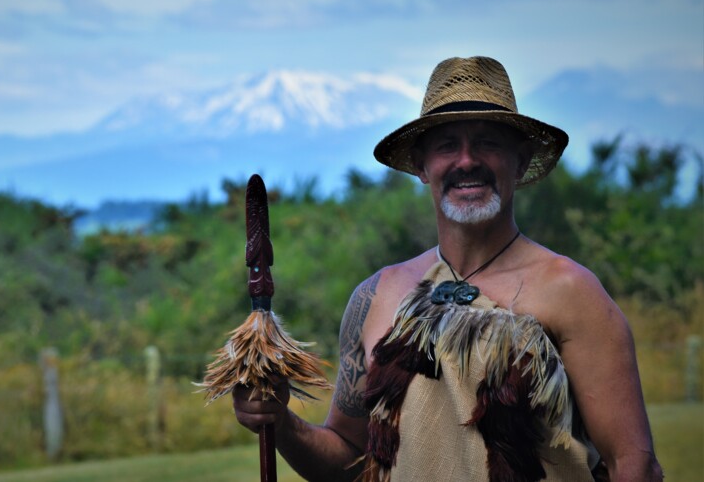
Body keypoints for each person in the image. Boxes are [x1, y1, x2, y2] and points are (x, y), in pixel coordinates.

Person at [233, 56, 663, 482]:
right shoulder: (378, 296)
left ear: (520, 159)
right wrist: (281, 423)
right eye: (446, 146)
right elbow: (351, 460)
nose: (466, 161)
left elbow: (634, 465)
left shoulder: (570, 291)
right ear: (422, 165)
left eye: (488, 142)